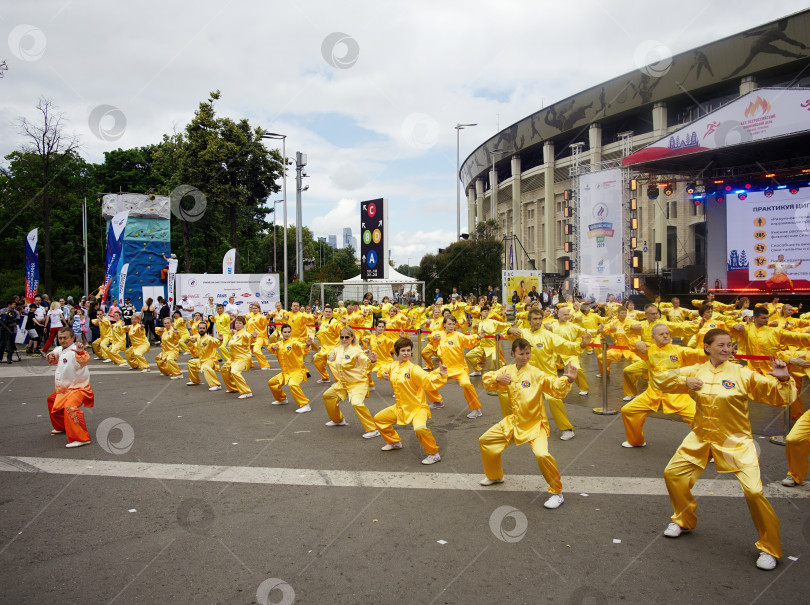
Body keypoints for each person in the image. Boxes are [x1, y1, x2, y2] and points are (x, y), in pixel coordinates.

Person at [653, 328, 796, 571]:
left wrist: (783, 379)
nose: (727, 349)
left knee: (753, 492)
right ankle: (684, 519)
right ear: (707, 347)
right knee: (672, 474)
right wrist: (683, 381)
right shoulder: (696, 370)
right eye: (721, 345)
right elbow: (659, 378)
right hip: (700, 436)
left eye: (730, 345)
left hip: (735, 442)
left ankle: (769, 547)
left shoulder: (742, 374)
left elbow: (780, 397)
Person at [479, 338, 578, 509]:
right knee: (486, 441)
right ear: (513, 354)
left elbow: (554, 386)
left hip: (535, 424)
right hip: (514, 421)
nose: (525, 357)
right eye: (521, 354)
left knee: (542, 455)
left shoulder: (535, 373)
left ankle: (557, 492)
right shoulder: (508, 370)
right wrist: (497, 376)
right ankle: (495, 476)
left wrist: (568, 380)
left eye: (527, 353)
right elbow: (487, 381)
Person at [621, 324, 704, 448]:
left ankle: (710, 449)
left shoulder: (678, 350)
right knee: (628, 411)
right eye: (661, 334)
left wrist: (713, 352)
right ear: (653, 337)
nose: (665, 336)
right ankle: (635, 441)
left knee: (700, 419)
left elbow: (697, 353)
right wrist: (637, 342)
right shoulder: (648, 350)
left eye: (667, 333)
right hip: (652, 394)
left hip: (677, 395)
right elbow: (628, 339)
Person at [373, 337, 448, 464]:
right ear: (397, 352)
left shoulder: (414, 369)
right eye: (403, 350)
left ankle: (434, 453)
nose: (406, 353)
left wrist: (441, 374)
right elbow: (382, 370)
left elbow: (427, 380)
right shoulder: (392, 366)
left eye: (408, 350)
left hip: (417, 408)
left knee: (420, 429)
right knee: (379, 419)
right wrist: (383, 374)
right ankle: (394, 442)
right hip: (400, 408)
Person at [322, 327, 379, 435]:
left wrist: (372, 361)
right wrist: (330, 355)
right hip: (343, 383)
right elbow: (332, 352)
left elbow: (366, 363)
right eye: (342, 337)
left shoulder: (357, 351)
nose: (344, 339)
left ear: (352, 337)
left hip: (357, 382)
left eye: (347, 337)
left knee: (356, 403)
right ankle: (338, 420)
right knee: (328, 396)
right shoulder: (339, 349)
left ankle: (373, 429)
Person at [45, 326, 94, 448]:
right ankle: (62, 426)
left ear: (73, 338)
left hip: (79, 388)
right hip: (64, 390)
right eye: (60, 338)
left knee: (70, 407)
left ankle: (82, 438)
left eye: (65, 338)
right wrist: (51, 356)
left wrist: (81, 352)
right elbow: (54, 355)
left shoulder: (75, 351)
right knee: (51, 400)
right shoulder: (60, 349)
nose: (62, 340)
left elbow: (84, 360)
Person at [432, 314, 483, 418]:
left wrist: (478, 336)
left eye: (453, 324)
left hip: (459, 368)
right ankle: (437, 402)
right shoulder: (439, 334)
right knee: (427, 380)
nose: (451, 326)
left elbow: (468, 339)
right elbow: (432, 336)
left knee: (466, 385)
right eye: (449, 324)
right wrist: (433, 336)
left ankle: (477, 409)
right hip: (445, 369)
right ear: (444, 325)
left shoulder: (458, 336)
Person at [268, 323, 312, 412]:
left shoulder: (293, 343)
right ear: (281, 333)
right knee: (272, 383)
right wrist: (272, 346)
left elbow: (301, 346)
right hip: (285, 373)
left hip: (297, 371)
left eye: (288, 332)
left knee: (292, 384)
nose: (287, 334)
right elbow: (270, 347)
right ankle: (282, 399)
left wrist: (307, 345)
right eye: (285, 332)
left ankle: (305, 404)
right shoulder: (279, 344)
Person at [220, 315, 257, 399]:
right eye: (236, 323)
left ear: (243, 324)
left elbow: (250, 338)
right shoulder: (235, 333)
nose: (237, 324)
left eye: (240, 323)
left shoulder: (245, 334)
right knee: (224, 369)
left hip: (242, 357)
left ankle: (247, 392)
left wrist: (254, 337)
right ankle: (233, 388)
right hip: (233, 358)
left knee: (235, 372)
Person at [186, 321, 222, 391]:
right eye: (200, 328)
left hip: (210, 360)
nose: (202, 329)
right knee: (191, 363)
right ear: (198, 329)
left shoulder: (209, 338)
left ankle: (216, 385)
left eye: (203, 328)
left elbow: (216, 343)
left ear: (206, 329)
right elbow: (191, 337)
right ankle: (195, 381)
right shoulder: (198, 336)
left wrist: (220, 340)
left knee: (206, 367)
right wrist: (192, 340)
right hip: (201, 360)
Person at [313, 306, 342, 383]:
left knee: (331, 363)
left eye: (329, 312)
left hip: (333, 348)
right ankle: (325, 377)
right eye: (326, 311)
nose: (328, 313)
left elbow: (341, 333)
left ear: (332, 313)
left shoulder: (335, 322)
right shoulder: (323, 321)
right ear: (324, 312)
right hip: (324, 348)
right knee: (317, 360)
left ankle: (339, 382)